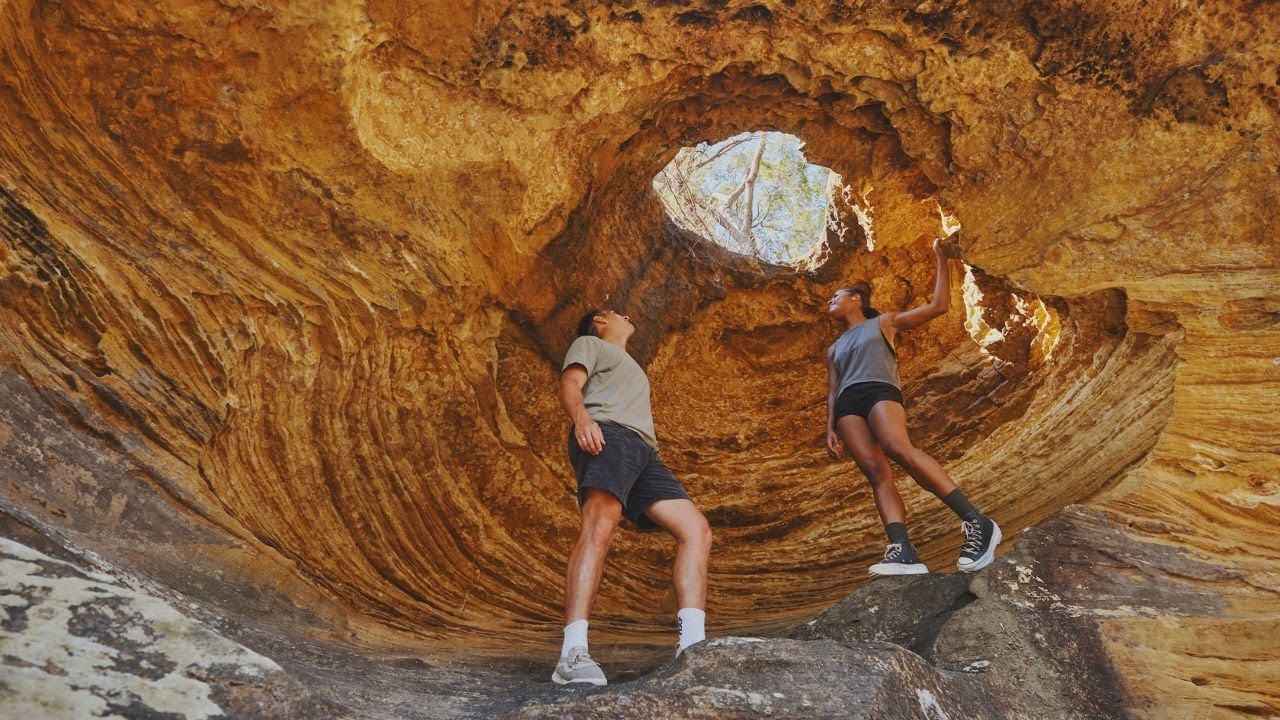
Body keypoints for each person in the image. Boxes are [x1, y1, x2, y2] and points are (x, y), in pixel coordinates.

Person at [552, 308, 712, 686]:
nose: (626, 315)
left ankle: (692, 645)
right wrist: (582, 419)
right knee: (600, 528)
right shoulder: (590, 343)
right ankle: (572, 654)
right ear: (600, 321)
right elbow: (570, 383)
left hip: (643, 452)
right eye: (615, 312)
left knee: (697, 530)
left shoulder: (632, 365)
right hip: (608, 434)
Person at [824, 237, 1000, 577]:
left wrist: (941, 258)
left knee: (897, 447)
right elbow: (832, 388)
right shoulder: (833, 348)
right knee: (877, 474)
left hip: (879, 389)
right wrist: (829, 428)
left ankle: (977, 521)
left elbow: (938, 306)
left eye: (837, 296)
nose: (830, 302)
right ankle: (902, 550)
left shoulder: (884, 322)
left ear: (856, 299)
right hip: (847, 405)